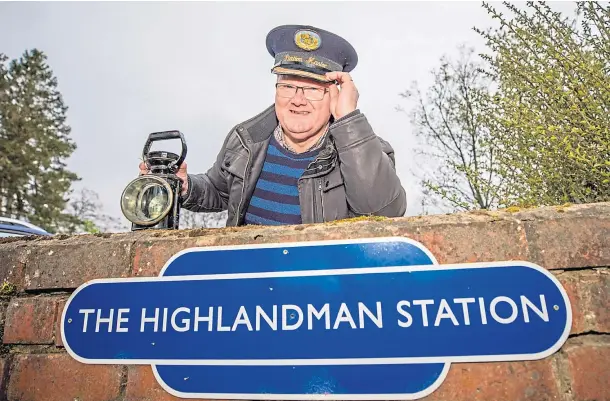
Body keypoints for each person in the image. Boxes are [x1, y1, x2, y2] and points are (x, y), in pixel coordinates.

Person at [139, 24, 407, 227]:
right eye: (288, 86)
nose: (298, 100)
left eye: (312, 90)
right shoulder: (245, 141)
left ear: (335, 95)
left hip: (324, 291)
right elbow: (219, 191)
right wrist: (184, 186)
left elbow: (384, 212)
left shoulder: (360, 149)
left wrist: (349, 119)